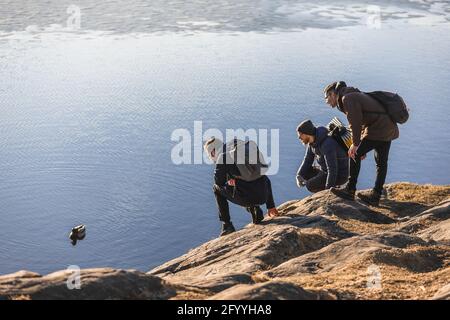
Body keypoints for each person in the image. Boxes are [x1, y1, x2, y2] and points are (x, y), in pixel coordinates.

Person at [324, 81, 399, 206]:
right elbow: (363, 120)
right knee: (381, 163)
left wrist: (356, 144)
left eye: (326, 98)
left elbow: (356, 122)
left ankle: (350, 190)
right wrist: (360, 144)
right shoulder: (353, 95)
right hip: (388, 127)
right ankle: (375, 196)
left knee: (354, 154)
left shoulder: (347, 98)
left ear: (332, 94)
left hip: (378, 128)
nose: (326, 102)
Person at [204, 137, 279, 236]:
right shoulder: (244, 151)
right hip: (264, 196)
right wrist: (271, 206)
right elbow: (264, 177)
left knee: (216, 189)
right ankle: (256, 209)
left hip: (247, 198)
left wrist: (229, 179)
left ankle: (227, 225)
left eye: (210, 155)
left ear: (213, 152)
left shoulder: (223, 157)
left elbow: (218, 182)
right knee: (250, 180)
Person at [296, 119, 349, 193]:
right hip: (325, 170)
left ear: (307, 133)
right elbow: (307, 160)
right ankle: (327, 187)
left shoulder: (327, 144)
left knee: (310, 185)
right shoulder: (312, 143)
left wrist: (328, 190)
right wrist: (299, 175)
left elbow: (332, 169)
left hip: (340, 174)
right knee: (304, 174)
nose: (299, 137)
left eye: (301, 134)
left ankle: (332, 191)